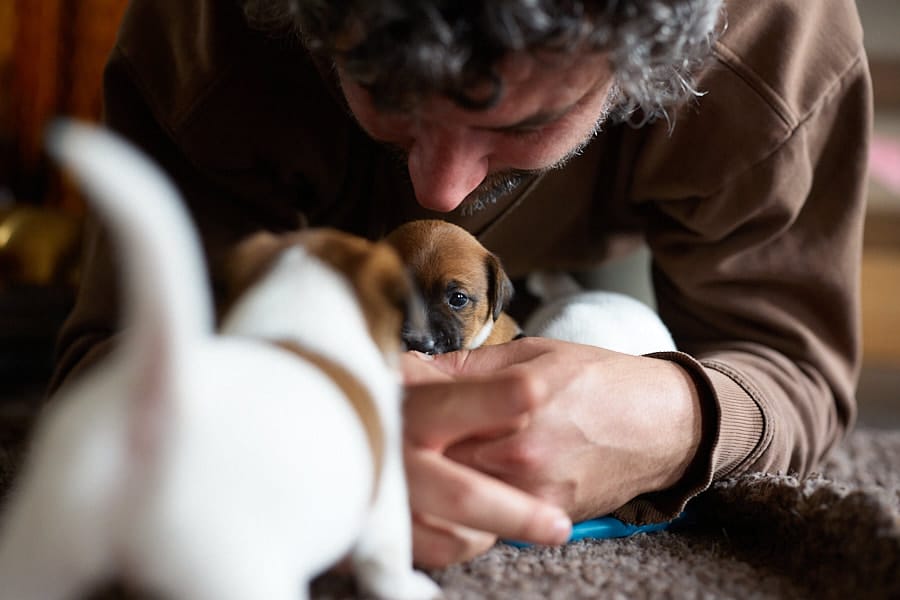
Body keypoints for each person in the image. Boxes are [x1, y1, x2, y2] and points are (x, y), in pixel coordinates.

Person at [51, 0, 872, 569]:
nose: (440, 191)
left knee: (618, 327)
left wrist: (672, 416)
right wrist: (295, 435)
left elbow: (793, 364)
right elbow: (112, 358)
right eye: (384, 94)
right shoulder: (206, 35)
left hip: (624, 215)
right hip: (294, 204)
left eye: (522, 121)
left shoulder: (772, 53)